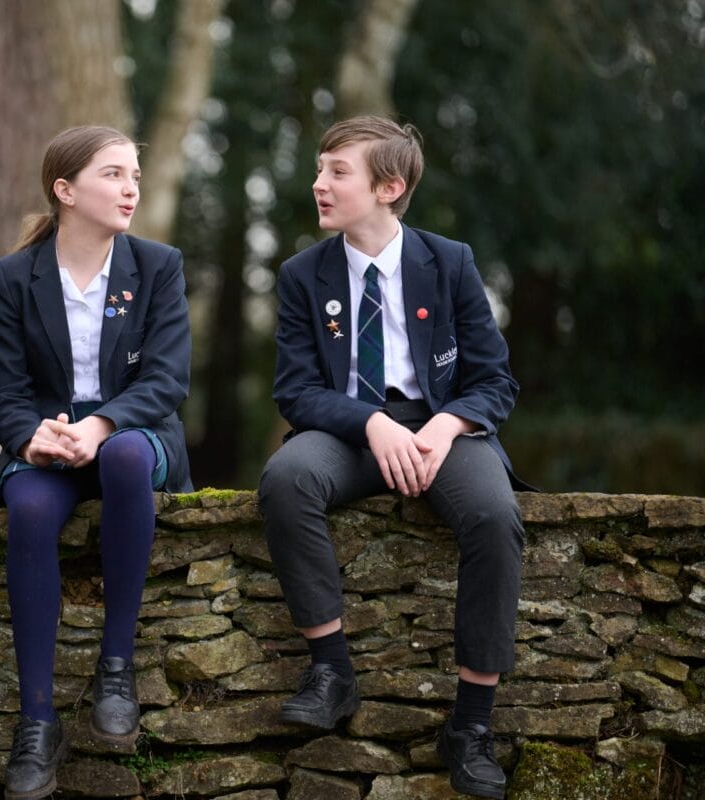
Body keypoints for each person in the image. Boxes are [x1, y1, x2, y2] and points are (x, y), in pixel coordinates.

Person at [259, 116, 525, 800]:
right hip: (349, 432)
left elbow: (495, 380)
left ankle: (469, 726)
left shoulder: (451, 262)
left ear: (389, 187)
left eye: (336, 173)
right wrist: (372, 422)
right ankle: (330, 670)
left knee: (496, 518)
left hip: (443, 429)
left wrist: (442, 428)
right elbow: (296, 391)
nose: (318, 184)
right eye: (319, 169)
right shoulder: (300, 274)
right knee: (287, 478)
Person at [0, 126, 192, 799]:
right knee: (31, 506)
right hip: (48, 445)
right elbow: (4, 395)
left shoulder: (158, 266)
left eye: (134, 174)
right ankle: (37, 723)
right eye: (113, 175)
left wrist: (101, 424)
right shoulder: (14, 276)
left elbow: (167, 380)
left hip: (132, 433)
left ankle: (116, 665)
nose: (130, 187)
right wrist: (30, 439)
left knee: (126, 458)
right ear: (64, 191)